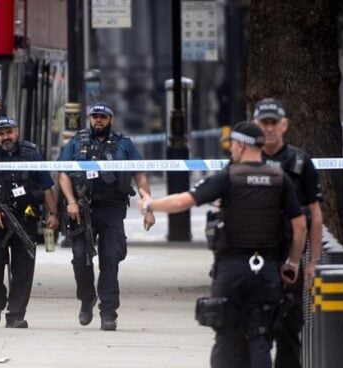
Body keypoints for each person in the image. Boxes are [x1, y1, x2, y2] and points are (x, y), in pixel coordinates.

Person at [137, 121, 307, 368]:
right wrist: (292, 262)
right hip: (268, 269)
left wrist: (149, 204)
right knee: (261, 338)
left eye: (232, 146)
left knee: (226, 338)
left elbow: (182, 202)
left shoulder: (229, 177)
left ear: (240, 145)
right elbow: (300, 225)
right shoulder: (279, 178)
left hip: (232, 269)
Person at [58, 101, 155, 331]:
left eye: (102, 117)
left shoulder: (124, 144)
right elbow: (63, 173)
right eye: (94, 117)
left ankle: (109, 312)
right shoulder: (77, 142)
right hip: (82, 209)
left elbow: (140, 176)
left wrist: (149, 208)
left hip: (111, 209)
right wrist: (71, 202)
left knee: (110, 261)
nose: (97, 120)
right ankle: (86, 299)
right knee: (80, 258)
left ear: (111, 119)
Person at [252, 98, 323, 368]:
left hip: (288, 257)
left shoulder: (300, 161)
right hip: (254, 255)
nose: (269, 128)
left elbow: (315, 215)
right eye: (263, 123)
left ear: (284, 125)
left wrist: (313, 261)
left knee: (289, 329)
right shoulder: (246, 157)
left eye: (273, 123)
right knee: (255, 329)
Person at [0, 117, 59, 328]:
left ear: (17, 132)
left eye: (9, 132)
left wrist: (54, 213)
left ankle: (16, 314)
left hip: (25, 220)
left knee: (23, 269)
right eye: (0, 133)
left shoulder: (31, 154)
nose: (5, 137)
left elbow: (46, 187)